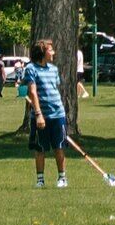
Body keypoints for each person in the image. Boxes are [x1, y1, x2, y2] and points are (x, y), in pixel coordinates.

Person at [23, 37, 80, 186]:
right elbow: (32, 92)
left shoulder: (54, 69)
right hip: (41, 115)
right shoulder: (31, 69)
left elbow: (55, 90)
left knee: (59, 146)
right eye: (50, 50)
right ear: (43, 52)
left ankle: (62, 178)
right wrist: (38, 114)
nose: (53, 52)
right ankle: (40, 180)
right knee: (40, 148)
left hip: (57, 114)